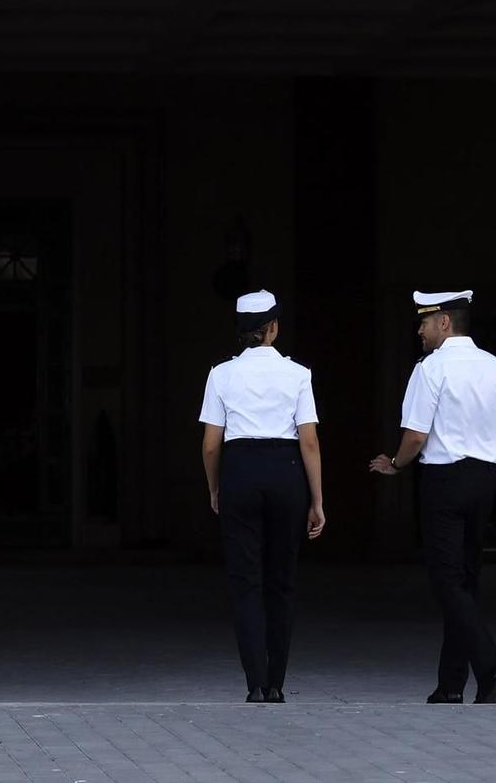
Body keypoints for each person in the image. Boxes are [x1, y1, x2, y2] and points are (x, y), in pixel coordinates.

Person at [369, 289, 496, 705]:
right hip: (483, 479)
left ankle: (492, 670)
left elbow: (416, 436)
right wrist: (492, 468)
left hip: (443, 480)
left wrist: (397, 465)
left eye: (424, 322)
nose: (419, 331)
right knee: (466, 581)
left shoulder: (431, 369)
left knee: (445, 581)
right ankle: (451, 684)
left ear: (444, 323)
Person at [199, 290, 326, 703]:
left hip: (239, 469)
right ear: (273, 328)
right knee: (282, 581)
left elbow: (211, 445)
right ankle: (276, 682)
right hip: (286, 471)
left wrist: (216, 486)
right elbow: (309, 442)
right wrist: (317, 500)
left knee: (245, 581)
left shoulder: (220, 374)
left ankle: (255, 682)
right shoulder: (298, 374)